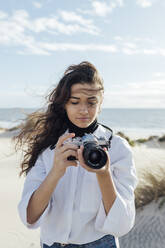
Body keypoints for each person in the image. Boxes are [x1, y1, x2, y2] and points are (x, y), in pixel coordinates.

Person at [16, 61, 138, 248]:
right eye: (75, 102)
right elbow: (30, 217)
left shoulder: (117, 148)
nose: (83, 110)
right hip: (52, 243)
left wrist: (103, 174)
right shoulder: (49, 147)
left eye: (91, 102)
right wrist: (56, 172)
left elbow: (122, 225)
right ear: (64, 103)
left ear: (101, 101)